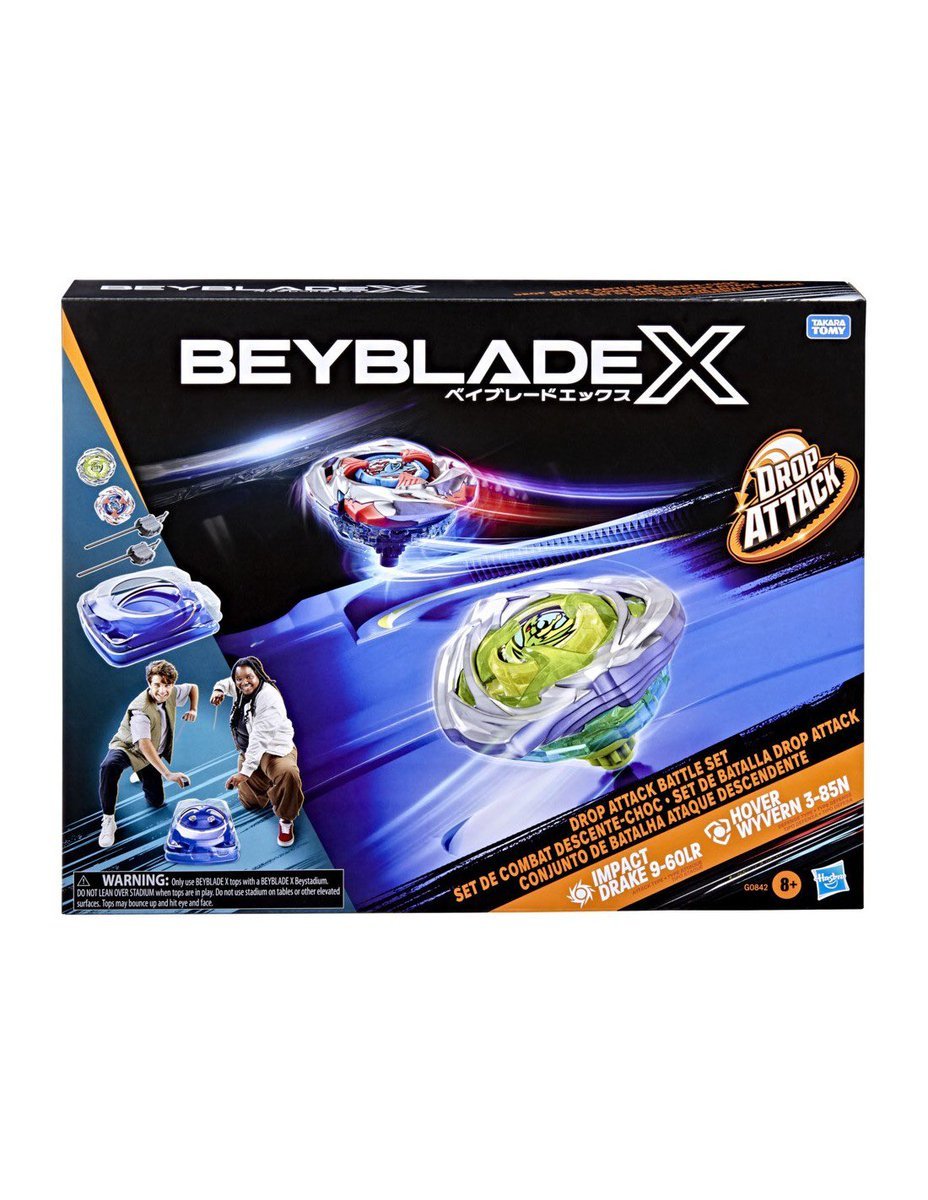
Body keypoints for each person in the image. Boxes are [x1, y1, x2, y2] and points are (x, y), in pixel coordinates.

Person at [98, 659, 198, 848]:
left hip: (150, 754)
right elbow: (144, 745)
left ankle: (140, 771)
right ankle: (108, 820)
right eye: (157, 685)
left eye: (167, 685)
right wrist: (168, 774)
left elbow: (193, 688)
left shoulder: (171, 692)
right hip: (129, 747)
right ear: (149, 683)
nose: (162, 690)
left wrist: (193, 709)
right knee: (108, 766)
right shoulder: (140, 710)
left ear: (172, 684)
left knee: (157, 801)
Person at [210, 656, 305, 847]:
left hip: (274, 751)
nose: (244, 682)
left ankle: (286, 820)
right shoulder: (239, 686)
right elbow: (227, 683)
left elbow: (260, 738)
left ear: (258, 675)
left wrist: (245, 772)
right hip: (248, 752)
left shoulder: (269, 698)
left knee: (288, 773)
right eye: (239, 679)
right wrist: (218, 690)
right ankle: (262, 788)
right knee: (250, 803)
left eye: (249, 677)